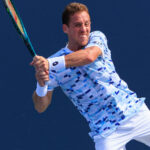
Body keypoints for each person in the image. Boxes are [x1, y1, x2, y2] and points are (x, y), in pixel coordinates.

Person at [31, 2, 150, 150]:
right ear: (65, 28)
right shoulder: (53, 68)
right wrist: (41, 84)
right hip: (106, 133)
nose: (84, 29)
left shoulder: (97, 38)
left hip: (136, 114)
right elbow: (40, 107)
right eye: (78, 25)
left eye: (86, 24)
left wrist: (50, 63)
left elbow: (89, 56)